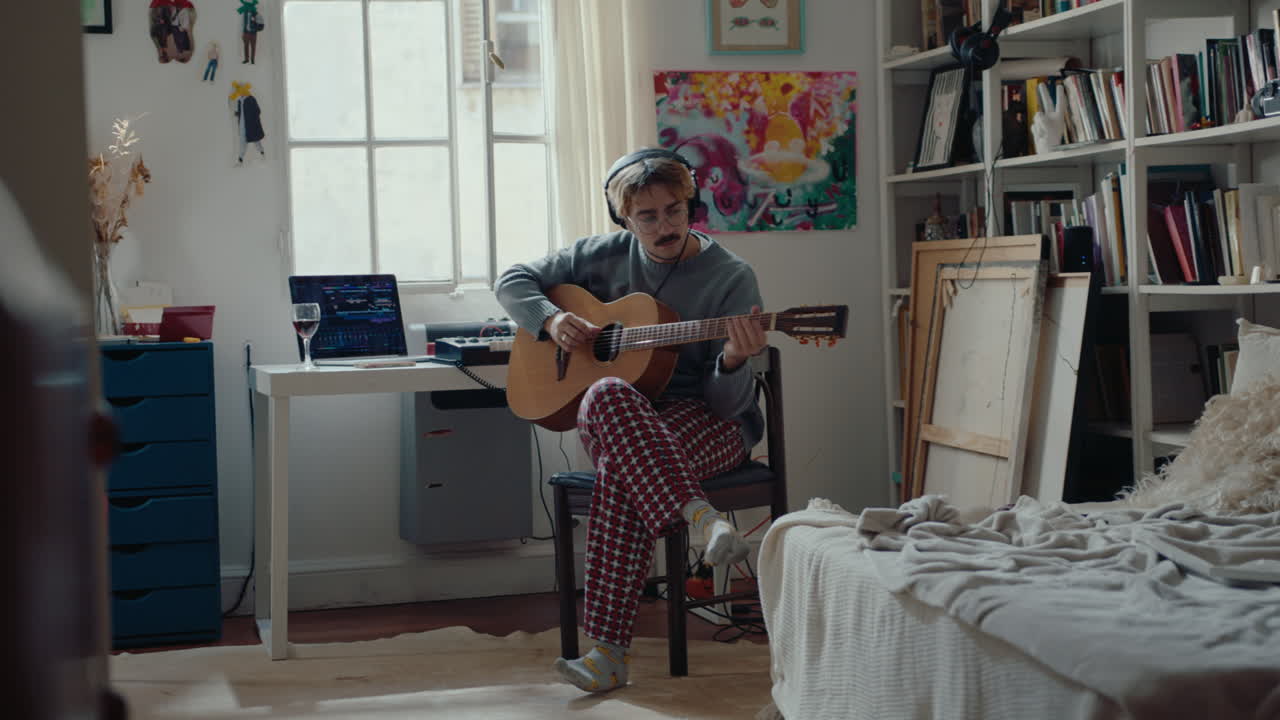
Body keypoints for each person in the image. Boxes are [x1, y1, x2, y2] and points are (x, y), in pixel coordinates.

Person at [494, 148, 768, 693]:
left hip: (708, 423)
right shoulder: (598, 256)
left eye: (675, 210)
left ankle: (608, 654)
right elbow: (512, 279)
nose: (665, 226)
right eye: (648, 216)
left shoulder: (731, 277)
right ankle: (698, 516)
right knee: (607, 391)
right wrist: (550, 320)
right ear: (624, 217)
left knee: (624, 474)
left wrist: (734, 359)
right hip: (626, 419)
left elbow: (727, 406)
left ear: (691, 203)